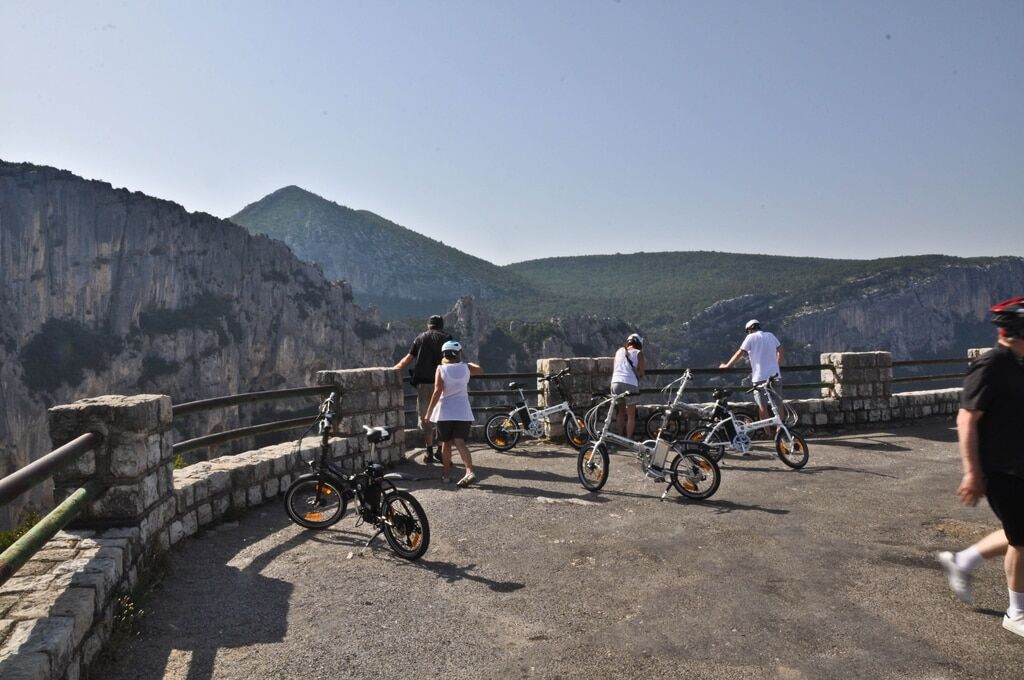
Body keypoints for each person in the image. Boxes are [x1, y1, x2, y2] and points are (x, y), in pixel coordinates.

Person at [936, 296, 1024, 639]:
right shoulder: (992, 364)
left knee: (1020, 531)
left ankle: (964, 561)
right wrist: (972, 472)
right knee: (1021, 538)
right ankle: (1016, 612)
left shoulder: (1017, 363)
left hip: (1019, 464)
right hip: (1002, 470)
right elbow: (967, 419)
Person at [423, 340, 483, 487]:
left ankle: (446, 475)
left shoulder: (441, 369)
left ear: (444, 354)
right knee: (460, 442)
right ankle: (469, 471)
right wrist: (463, 362)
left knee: (446, 444)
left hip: (445, 411)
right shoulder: (466, 368)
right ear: (458, 354)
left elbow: (437, 391)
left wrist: (429, 413)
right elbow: (479, 369)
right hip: (463, 411)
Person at [393, 315, 450, 463]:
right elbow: (454, 359)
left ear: (428, 325)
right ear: (441, 326)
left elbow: (408, 358)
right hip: (443, 383)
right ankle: (440, 449)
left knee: (426, 418)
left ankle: (429, 450)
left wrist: (394, 369)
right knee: (442, 418)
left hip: (424, 383)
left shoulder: (420, 338)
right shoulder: (447, 338)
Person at [719, 319, 785, 430]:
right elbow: (781, 351)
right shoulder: (770, 335)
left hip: (759, 377)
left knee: (762, 406)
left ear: (750, 329)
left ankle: (768, 433)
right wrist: (776, 365)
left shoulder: (750, 337)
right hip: (775, 375)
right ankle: (781, 431)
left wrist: (727, 366)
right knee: (778, 404)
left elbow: (740, 353)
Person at [610, 333, 646, 439]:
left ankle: (620, 436)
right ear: (639, 343)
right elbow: (641, 373)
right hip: (629, 383)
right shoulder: (639, 353)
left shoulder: (618, 352)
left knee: (620, 411)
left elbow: (615, 368)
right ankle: (629, 438)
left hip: (615, 383)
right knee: (631, 414)